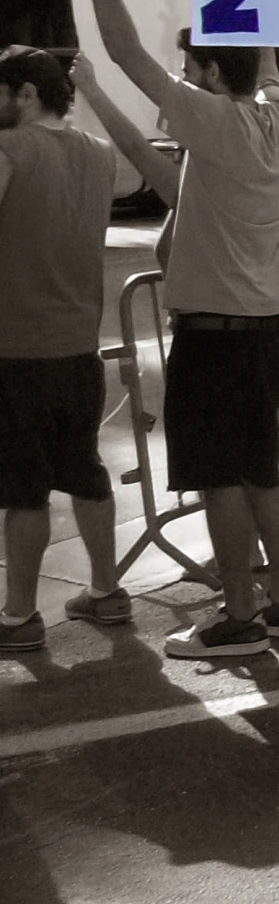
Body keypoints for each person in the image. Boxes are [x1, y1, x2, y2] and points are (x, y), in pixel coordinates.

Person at [67, 0, 279, 659]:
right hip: (262, 328)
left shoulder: (217, 121)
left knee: (223, 480)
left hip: (220, 337)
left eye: (189, 70)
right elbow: (266, 65)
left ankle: (238, 615)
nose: (177, 79)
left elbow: (122, 45)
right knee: (260, 471)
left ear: (208, 76)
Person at [0, 47, 125, 653]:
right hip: (80, 345)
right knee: (84, 471)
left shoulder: (10, 149)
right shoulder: (97, 154)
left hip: (18, 348)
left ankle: (19, 616)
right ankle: (106, 590)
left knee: (24, 487)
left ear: (24, 94)